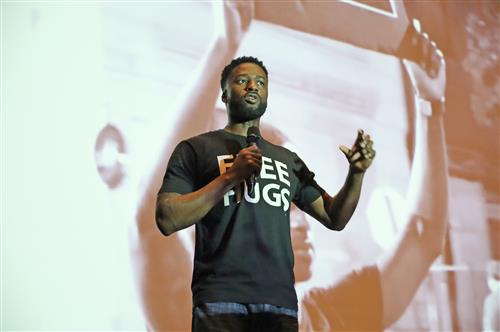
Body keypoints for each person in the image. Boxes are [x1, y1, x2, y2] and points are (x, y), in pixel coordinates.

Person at [156, 52, 375, 331]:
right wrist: (229, 178)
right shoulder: (195, 149)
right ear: (224, 95)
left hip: (278, 307)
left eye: (261, 82)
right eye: (242, 81)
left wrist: (356, 174)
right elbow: (166, 218)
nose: (252, 87)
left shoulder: (287, 160)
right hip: (222, 302)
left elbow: (335, 218)